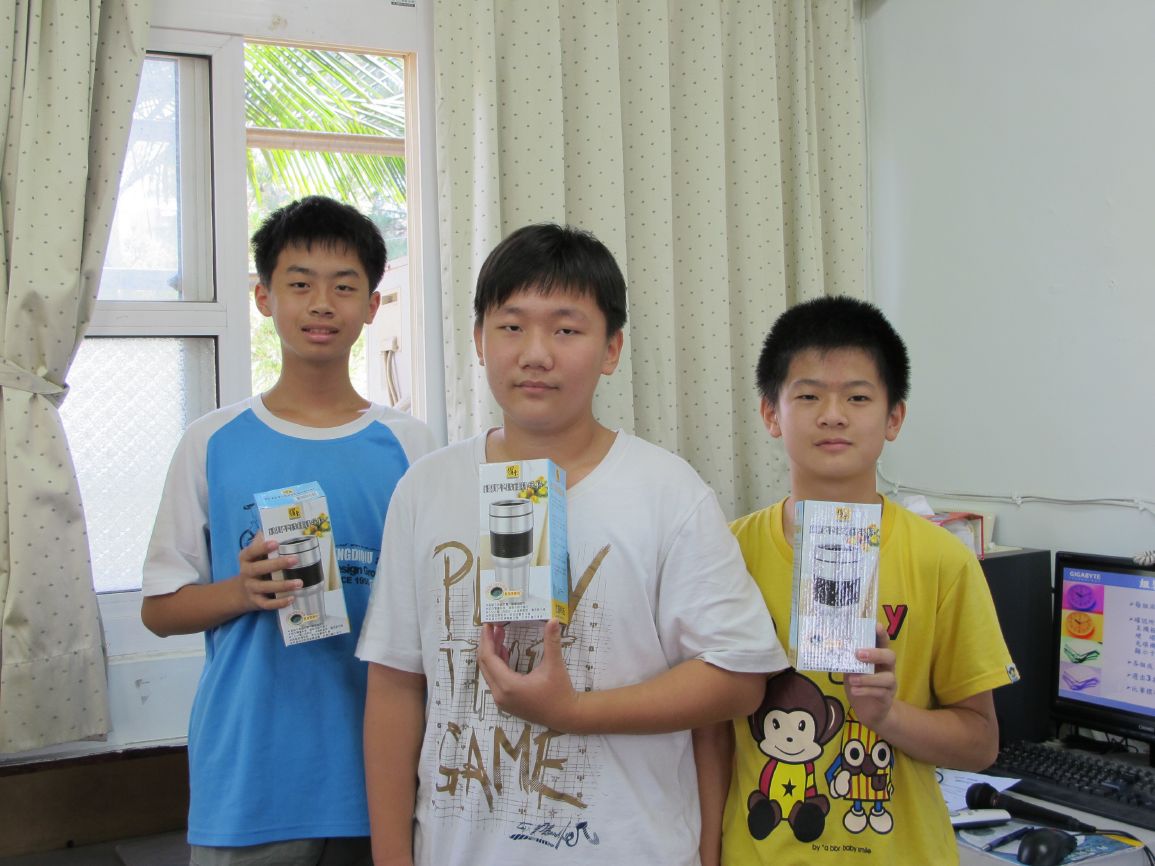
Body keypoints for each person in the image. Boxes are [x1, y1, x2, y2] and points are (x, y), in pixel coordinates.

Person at [356, 223, 788, 866]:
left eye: (566, 329)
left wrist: (574, 711)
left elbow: (737, 679)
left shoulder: (669, 491)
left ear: (611, 349)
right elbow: (395, 684)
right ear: (478, 341)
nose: (536, 353)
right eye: (511, 326)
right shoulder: (425, 488)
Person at [141, 196, 435, 866]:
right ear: (263, 298)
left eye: (344, 287)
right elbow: (159, 610)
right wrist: (240, 591)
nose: (321, 304)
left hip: (384, 778)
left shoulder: (412, 445)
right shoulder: (212, 442)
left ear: (373, 305)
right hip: (251, 781)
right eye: (299, 284)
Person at [696, 296, 1019, 866]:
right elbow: (712, 733)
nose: (833, 415)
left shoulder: (943, 561)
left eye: (858, 397)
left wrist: (889, 715)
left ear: (894, 417)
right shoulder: (726, 553)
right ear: (771, 414)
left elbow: (980, 743)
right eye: (808, 396)